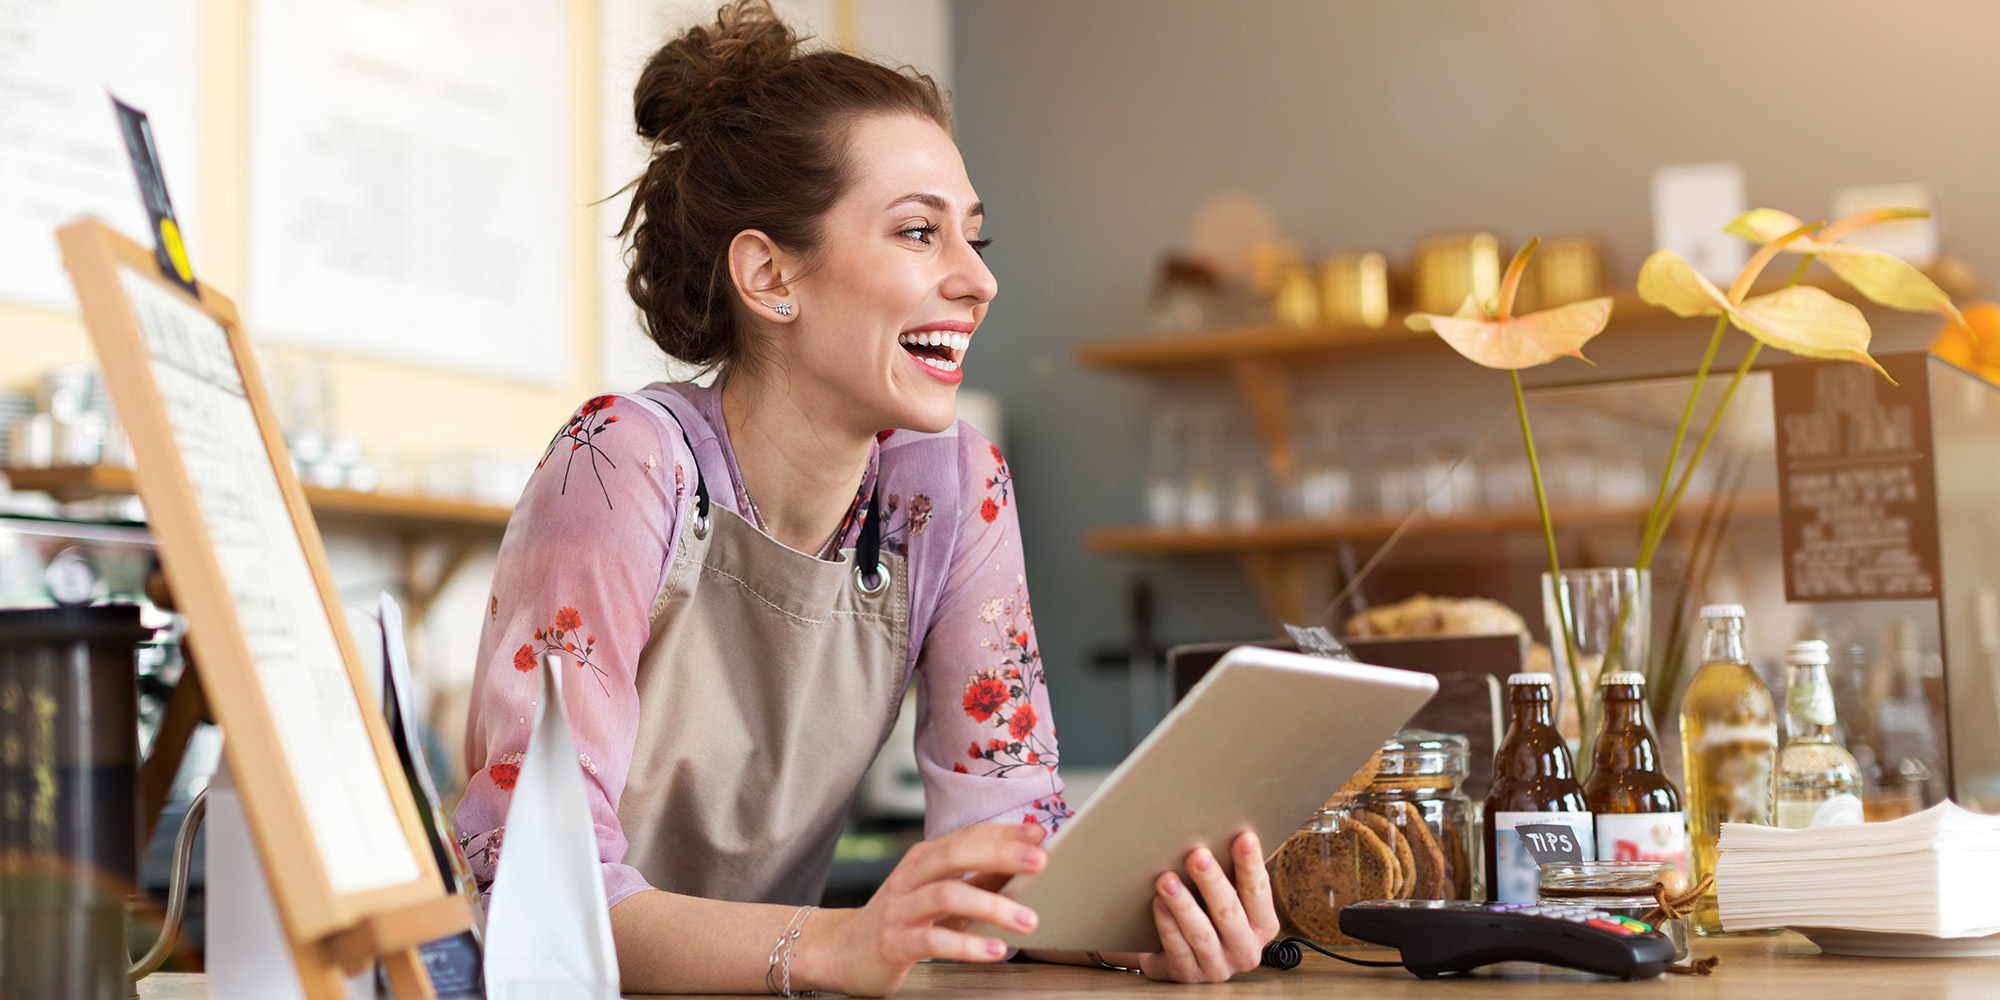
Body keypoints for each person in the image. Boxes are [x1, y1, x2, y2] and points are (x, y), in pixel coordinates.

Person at [454, 3, 1278, 993]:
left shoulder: (951, 485)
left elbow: (1002, 846)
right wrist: (831, 944)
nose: (977, 281)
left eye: (973, 237)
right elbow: (538, 887)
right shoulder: (620, 462)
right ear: (769, 274)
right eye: (919, 232)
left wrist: (1123, 925)